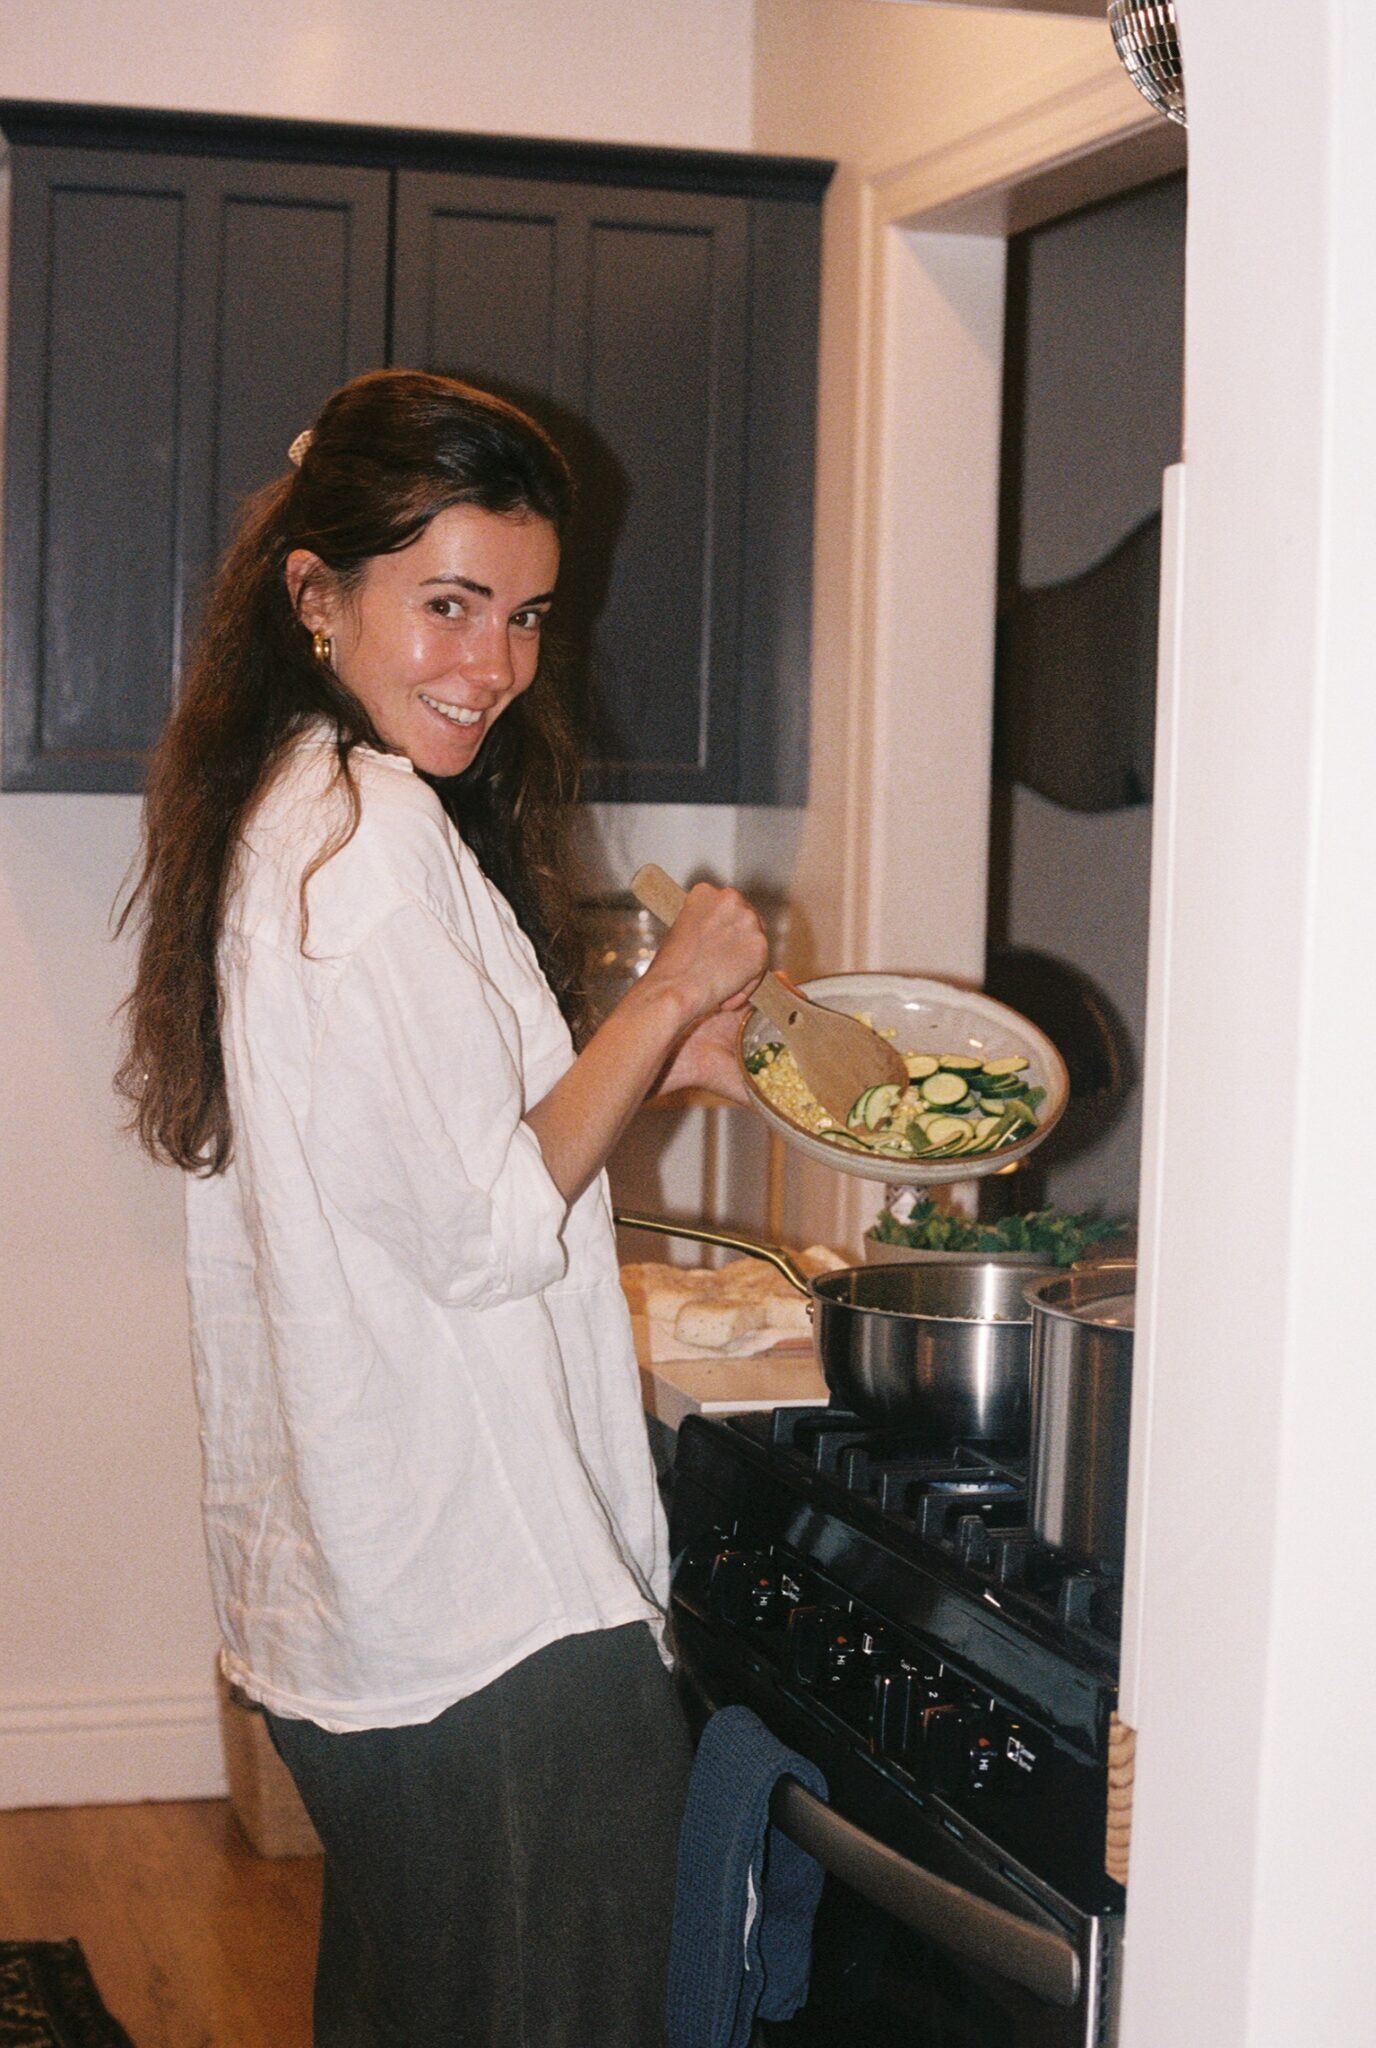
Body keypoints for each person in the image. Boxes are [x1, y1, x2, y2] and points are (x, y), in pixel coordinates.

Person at [116, 368, 768, 2048]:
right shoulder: (371, 839)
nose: (492, 665)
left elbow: (432, 1164)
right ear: (318, 591)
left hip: (378, 1594)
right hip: (493, 1618)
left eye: (528, 617)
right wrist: (670, 980)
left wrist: (666, 1059)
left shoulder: (290, 804)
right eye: (450, 604)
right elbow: (487, 1227)